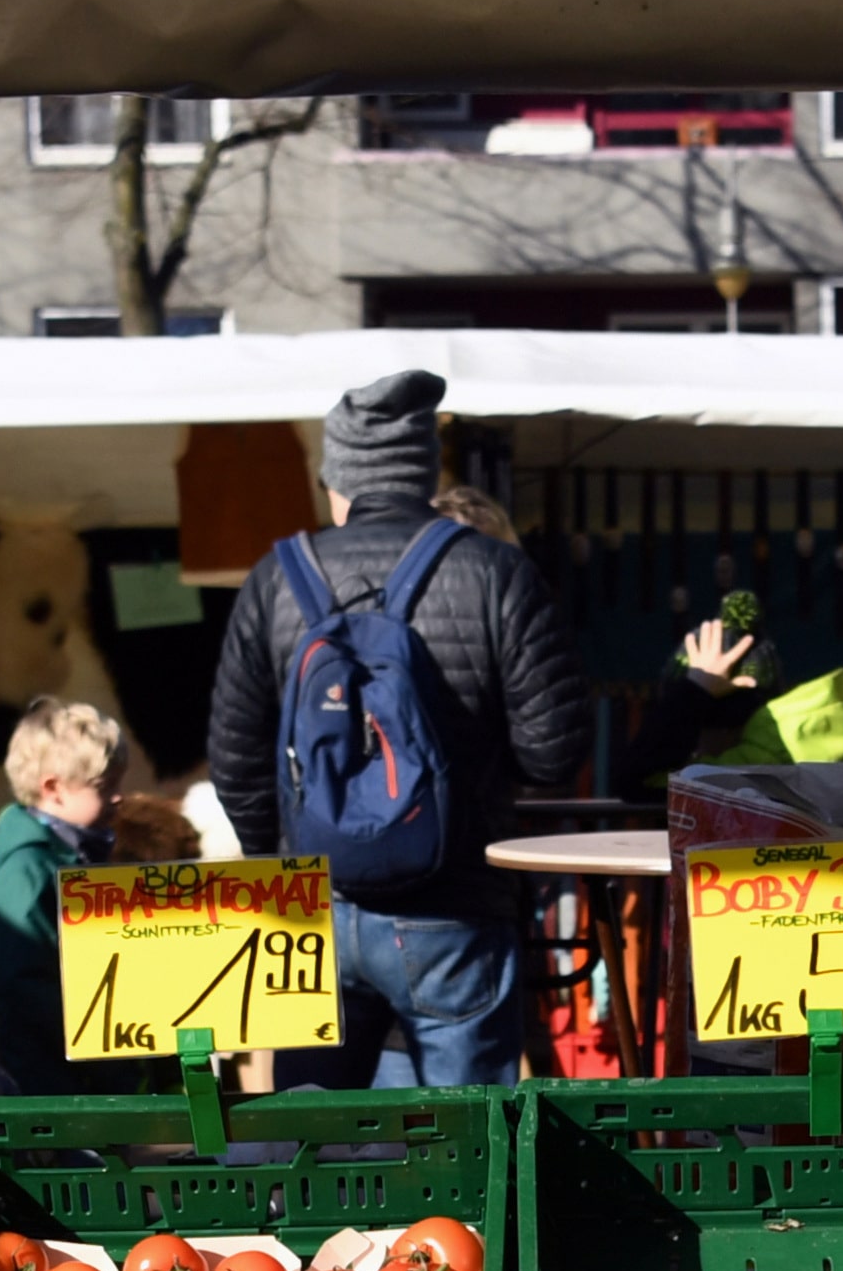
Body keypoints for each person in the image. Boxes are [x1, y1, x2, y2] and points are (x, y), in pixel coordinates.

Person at [205, 369, 588, 1084]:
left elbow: (234, 758)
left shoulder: (275, 578)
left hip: (313, 905)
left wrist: (289, 859)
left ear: (335, 478)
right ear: (422, 470)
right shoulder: (495, 571)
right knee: (468, 1146)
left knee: (313, 1139)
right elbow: (552, 752)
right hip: (455, 909)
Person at [0, 697, 172, 1096]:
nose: (119, 796)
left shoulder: (77, 855)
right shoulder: (26, 872)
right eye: (105, 785)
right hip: (60, 1083)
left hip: (94, 1072)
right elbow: (25, 987)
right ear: (54, 789)